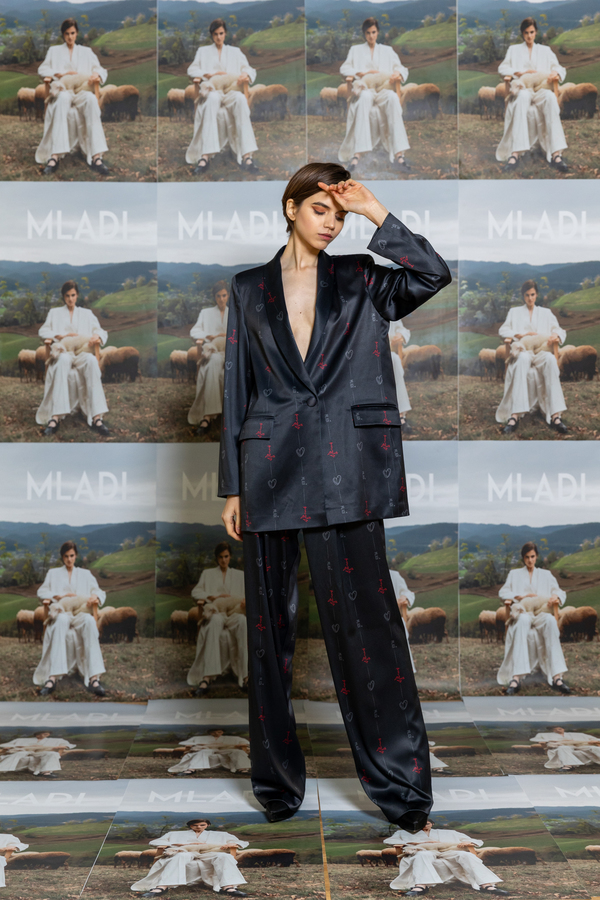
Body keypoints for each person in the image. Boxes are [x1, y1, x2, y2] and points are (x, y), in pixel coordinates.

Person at [219, 162, 451, 828]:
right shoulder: (248, 287)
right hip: (268, 467)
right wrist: (231, 486)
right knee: (269, 634)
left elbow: (432, 274)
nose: (332, 222)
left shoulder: (362, 276)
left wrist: (376, 211)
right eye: (321, 208)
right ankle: (277, 783)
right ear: (291, 207)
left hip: (348, 465)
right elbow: (237, 385)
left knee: (369, 628)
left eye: (340, 214)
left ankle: (401, 786)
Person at [33, 540, 107, 697]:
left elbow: (100, 592)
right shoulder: (53, 573)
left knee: (89, 621)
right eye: (66, 556)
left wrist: (94, 596)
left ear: (76, 556)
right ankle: (52, 678)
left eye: (72, 556)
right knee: (61, 621)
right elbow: (41, 592)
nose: (69, 559)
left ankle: (94, 678)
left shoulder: (85, 574)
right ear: (62, 557)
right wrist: (57, 596)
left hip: (80, 613)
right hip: (62, 612)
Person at [36, 18, 109, 176]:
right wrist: (59, 73)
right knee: (62, 99)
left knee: (91, 100)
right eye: (67, 34)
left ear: (77, 33)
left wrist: (96, 74)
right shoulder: (54, 51)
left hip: (81, 91)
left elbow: (101, 70)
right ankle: (55, 156)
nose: (70, 37)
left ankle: (96, 157)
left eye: (73, 33)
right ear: (63, 35)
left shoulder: (86, 52)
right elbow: (42, 70)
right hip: (64, 90)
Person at [36, 280, 110, 437]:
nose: (70, 299)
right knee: (62, 361)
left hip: (82, 352)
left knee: (92, 361)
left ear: (77, 295)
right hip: (64, 352)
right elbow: (42, 331)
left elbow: (101, 331)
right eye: (67, 296)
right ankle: (55, 417)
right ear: (63, 297)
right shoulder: (54, 313)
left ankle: (97, 418)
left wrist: (96, 336)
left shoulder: (87, 314)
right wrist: (59, 335)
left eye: (73, 295)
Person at [497, 541, 570, 696]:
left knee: (550, 621)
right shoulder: (514, 574)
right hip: (524, 613)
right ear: (523, 558)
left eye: (532, 556)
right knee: (522, 621)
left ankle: (557, 677)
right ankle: (516, 678)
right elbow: (503, 592)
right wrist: (519, 596)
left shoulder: (546, 574)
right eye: (527, 557)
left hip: (541, 613)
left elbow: (560, 591)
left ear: (536, 556)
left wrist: (555, 597)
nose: (530, 560)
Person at [186, 18, 258, 174]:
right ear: (211, 35)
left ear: (225, 34)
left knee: (241, 99)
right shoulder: (203, 51)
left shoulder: (235, 52)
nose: (219, 37)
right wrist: (208, 74)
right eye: (215, 34)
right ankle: (205, 156)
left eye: (221, 33)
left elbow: (249, 69)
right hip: (213, 90)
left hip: (231, 91)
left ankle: (247, 156)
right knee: (211, 99)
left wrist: (245, 75)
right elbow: (191, 70)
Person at [496, 279, 567, 435]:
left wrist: (555, 336)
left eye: (533, 294)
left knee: (550, 360)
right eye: (527, 295)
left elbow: (559, 330)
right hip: (524, 351)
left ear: (537, 295)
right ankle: (515, 415)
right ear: (523, 296)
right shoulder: (514, 312)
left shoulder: (546, 313)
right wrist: (518, 334)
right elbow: (503, 330)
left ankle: (555, 416)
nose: (530, 298)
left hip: (541, 351)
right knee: (522, 359)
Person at [496, 17, 568, 172]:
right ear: (522, 34)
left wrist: (555, 73)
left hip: (541, 89)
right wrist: (519, 72)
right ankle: (515, 154)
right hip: (523, 88)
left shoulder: (545, 50)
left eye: (532, 32)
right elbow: (502, 68)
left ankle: (556, 154)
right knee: (522, 97)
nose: (529, 36)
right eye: (526, 33)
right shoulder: (513, 50)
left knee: (550, 97)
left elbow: (559, 68)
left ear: (536, 32)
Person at [339, 17, 410, 170]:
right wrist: (360, 72)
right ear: (364, 34)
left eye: (373, 32)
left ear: (378, 32)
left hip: (384, 89)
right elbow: (344, 69)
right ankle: (357, 153)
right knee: (364, 97)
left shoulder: (387, 51)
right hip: (366, 89)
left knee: (393, 98)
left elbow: (402, 69)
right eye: (368, 33)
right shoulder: (355, 50)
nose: (371, 36)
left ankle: (399, 154)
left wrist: (397, 74)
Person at [130, 817, 248, 898]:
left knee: (224, 856)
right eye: (195, 825)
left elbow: (241, 842)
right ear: (190, 826)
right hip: (186, 851)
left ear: (208, 825)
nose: (198, 827)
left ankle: (227, 887)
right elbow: (155, 842)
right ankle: (162, 887)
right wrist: (178, 844)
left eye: (202, 825)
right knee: (180, 856)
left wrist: (232, 844)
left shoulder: (220, 834)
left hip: (209, 853)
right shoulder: (175, 834)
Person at [384, 819, 508, 895]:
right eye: (421, 823)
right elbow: (389, 841)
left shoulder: (448, 832)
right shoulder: (404, 833)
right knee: (422, 855)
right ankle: (421, 886)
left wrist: (469, 842)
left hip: (447, 851)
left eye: (427, 823)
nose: (425, 825)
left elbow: (475, 840)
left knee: (465, 855)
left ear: (432, 824)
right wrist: (416, 843)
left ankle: (486, 885)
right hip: (423, 850)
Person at [187, 542, 247, 697]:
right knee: (214, 622)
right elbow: (195, 592)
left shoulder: (239, 575)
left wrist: (245, 601)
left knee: (242, 621)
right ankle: (207, 678)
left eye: (226, 556)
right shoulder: (207, 574)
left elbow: (249, 594)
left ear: (230, 556)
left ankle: (245, 676)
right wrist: (211, 596)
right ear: (216, 558)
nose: (223, 560)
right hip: (216, 613)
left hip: (234, 613)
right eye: (220, 557)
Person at [188, 281, 229, 434]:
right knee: (213, 362)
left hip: (231, 353)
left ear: (228, 296)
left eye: (224, 295)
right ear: (214, 297)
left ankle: (209, 416)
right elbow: (194, 331)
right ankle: (207, 417)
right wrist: (208, 335)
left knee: (216, 362)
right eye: (218, 296)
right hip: (212, 352)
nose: (221, 299)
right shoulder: (206, 313)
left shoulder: (235, 314)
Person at [168, 729, 250, 776]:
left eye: (220, 731)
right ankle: (191, 769)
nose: (218, 733)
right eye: (215, 731)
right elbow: (183, 743)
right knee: (204, 751)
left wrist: (228, 745)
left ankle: (242, 769)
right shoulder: (200, 738)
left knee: (237, 752)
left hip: (225, 750)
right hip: (208, 749)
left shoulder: (232, 738)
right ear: (211, 732)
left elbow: (245, 743)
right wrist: (202, 744)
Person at [0, 730, 75, 778]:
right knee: (19, 754)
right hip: (25, 751)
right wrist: (13, 747)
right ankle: (3, 768)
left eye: (46, 733)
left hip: (41, 752)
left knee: (52, 754)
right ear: (36, 734)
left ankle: (45, 772)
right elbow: (7, 745)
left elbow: (68, 745)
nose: (44, 735)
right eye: (41, 733)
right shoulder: (22, 740)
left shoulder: (55, 740)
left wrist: (62, 747)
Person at [531, 726, 600, 771]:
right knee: (564, 748)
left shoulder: (574, 734)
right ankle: (568, 765)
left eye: (559, 728)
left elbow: (595, 739)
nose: (557, 730)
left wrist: (594, 741)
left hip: (576, 746)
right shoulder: (547, 735)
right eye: (554, 729)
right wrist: (547, 743)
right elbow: (537, 740)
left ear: (563, 729)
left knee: (593, 748)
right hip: (558, 747)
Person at [390, 568, 416, 673]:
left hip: (392, 620)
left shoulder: (393, 575)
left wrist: (404, 597)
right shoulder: (364, 576)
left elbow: (407, 592)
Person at [389, 319, 413, 432]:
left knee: (395, 360)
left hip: (385, 352)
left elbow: (403, 329)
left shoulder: (388, 311)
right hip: (364, 352)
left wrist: (400, 334)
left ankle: (400, 415)